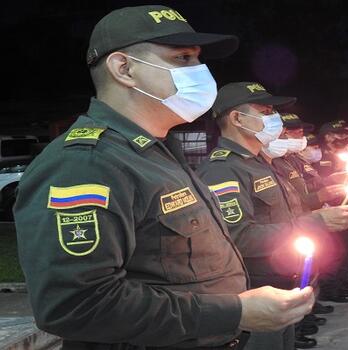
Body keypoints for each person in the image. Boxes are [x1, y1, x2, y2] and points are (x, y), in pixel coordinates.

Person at [13, 6, 315, 349]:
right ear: (124, 69)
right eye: (183, 58)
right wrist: (233, 312)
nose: (200, 72)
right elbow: (76, 306)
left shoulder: (157, 153)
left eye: (198, 59)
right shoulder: (87, 163)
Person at [197, 82, 348, 350]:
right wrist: (316, 222)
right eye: (264, 110)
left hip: (285, 282)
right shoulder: (223, 170)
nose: (274, 118)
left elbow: (286, 214)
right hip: (258, 290)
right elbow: (237, 236)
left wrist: (318, 213)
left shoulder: (260, 164)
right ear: (237, 118)